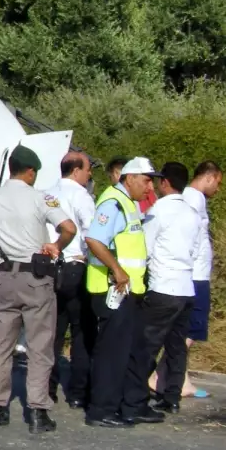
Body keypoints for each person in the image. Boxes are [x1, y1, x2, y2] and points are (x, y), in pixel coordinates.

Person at [0, 146, 75, 434]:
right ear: (31, 171)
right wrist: (56, 246)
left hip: (6, 276)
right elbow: (68, 227)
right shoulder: (40, 197)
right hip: (36, 277)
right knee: (39, 346)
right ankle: (37, 410)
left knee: (1, 345)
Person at [83, 157, 159, 427]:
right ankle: (101, 410)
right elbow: (94, 238)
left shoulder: (128, 203)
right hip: (112, 289)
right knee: (111, 353)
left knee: (129, 351)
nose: (150, 186)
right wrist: (116, 269)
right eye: (147, 179)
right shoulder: (113, 202)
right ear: (130, 178)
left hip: (129, 291)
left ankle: (126, 405)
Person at [123, 162, 200, 418]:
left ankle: (135, 397)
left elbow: (144, 247)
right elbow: (196, 250)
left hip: (163, 286)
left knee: (147, 345)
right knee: (177, 346)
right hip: (186, 287)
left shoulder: (158, 211)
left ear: (164, 182)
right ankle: (171, 397)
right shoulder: (192, 214)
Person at [166, 160, 223, 401]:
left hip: (196, 273)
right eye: (217, 183)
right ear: (208, 177)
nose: (217, 189)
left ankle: (181, 380)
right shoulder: (193, 199)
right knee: (191, 329)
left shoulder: (193, 199)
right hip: (194, 275)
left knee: (190, 330)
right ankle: (163, 375)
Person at [47, 151, 97, 409]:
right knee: (81, 332)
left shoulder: (47, 193)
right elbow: (91, 233)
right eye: (88, 169)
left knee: (53, 332)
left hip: (51, 267)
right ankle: (77, 392)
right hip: (76, 266)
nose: (89, 174)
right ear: (76, 170)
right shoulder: (81, 196)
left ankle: (48, 389)